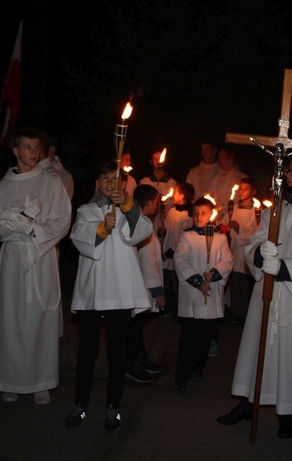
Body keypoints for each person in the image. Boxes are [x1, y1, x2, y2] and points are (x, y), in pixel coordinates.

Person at [217, 152, 292, 440]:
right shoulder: (274, 209)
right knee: (257, 347)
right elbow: (255, 241)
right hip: (265, 292)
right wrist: (259, 254)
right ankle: (246, 403)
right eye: (288, 170)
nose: (288, 175)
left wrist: (286, 267)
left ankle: (288, 414)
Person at [0, 127, 72, 406]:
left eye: (37, 148)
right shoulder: (2, 187)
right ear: (15, 150)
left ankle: (40, 381)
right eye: (28, 147)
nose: (34, 153)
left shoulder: (51, 182)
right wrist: (10, 225)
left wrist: (33, 229)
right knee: (10, 318)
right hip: (11, 260)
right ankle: (9, 379)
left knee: (37, 319)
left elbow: (62, 219)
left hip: (39, 257)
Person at [67, 161, 154, 432]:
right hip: (93, 292)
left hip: (118, 292)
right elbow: (79, 238)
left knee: (117, 354)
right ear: (97, 183)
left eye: (116, 180)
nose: (109, 183)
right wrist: (102, 228)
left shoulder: (131, 210)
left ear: (124, 185)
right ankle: (80, 405)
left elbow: (142, 231)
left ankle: (112, 408)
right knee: (87, 353)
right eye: (104, 178)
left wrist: (128, 206)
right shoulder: (85, 210)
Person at [173, 197, 233, 393]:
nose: (199, 216)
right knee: (189, 336)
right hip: (193, 293)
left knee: (206, 337)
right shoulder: (186, 236)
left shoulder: (220, 238)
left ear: (211, 215)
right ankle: (181, 375)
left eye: (204, 213)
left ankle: (198, 368)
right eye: (196, 213)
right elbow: (180, 259)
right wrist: (198, 281)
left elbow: (227, 260)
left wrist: (213, 274)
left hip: (212, 293)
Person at [206, 143, 247, 355]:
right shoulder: (216, 177)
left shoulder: (240, 177)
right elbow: (211, 198)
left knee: (231, 264)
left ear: (230, 158)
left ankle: (231, 307)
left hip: (233, 224)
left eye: (222, 157)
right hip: (218, 223)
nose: (219, 161)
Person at [125, 184, 165, 383]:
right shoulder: (141, 224)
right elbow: (148, 260)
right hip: (140, 285)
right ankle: (130, 363)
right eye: (156, 202)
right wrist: (157, 291)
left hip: (139, 284)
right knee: (132, 326)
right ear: (149, 202)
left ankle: (140, 358)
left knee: (136, 326)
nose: (158, 205)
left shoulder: (141, 221)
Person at [222, 176, 259, 324]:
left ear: (253, 191)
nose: (242, 192)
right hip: (232, 249)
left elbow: (257, 231)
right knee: (233, 281)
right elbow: (223, 224)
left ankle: (243, 314)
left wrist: (239, 228)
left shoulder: (256, 211)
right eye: (241, 189)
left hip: (245, 251)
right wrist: (224, 228)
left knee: (243, 282)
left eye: (246, 189)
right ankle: (233, 310)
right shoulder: (234, 208)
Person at [160, 182, 195, 321]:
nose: (173, 194)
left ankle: (179, 312)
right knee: (167, 283)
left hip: (175, 254)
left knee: (177, 286)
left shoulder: (188, 214)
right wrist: (161, 231)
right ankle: (168, 309)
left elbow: (182, 236)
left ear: (182, 195)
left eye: (175, 192)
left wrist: (170, 252)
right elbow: (166, 230)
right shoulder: (171, 210)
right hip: (166, 253)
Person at [139, 148, 178, 237]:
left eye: (159, 158)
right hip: (148, 222)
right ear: (150, 161)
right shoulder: (145, 182)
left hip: (166, 222)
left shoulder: (172, 183)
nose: (157, 161)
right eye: (154, 158)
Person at [39, 132, 75, 200]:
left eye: (40, 147)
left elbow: (63, 202)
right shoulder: (33, 167)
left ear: (52, 149)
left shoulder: (65, 175)